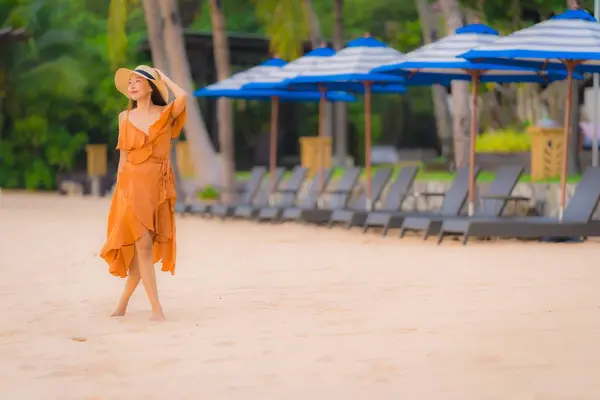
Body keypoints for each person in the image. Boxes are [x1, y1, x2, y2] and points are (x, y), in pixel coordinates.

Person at [100, 65, 188, 321]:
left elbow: (182, 97)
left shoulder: (166, 113)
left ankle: (122, 305)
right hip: (131, 187)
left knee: (143, 252)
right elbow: (123, 158)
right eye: (131, 82)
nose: (133, 85)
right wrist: (120, 192)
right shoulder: (124, 118)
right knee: (144, 246)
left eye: (139, 81)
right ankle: (156, 310)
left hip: (157, 188)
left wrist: (164, 78)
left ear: (151, 87)